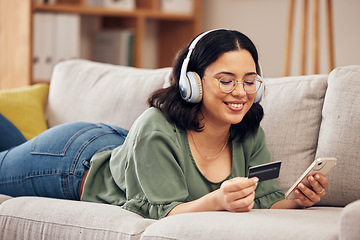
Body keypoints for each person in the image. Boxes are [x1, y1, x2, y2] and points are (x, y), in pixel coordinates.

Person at [0, 29, 328, 220]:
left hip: (121, 145)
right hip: (72, 163)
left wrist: (296, 200)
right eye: (226, 81)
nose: (240, 93)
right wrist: (219, 201)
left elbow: (265, 201)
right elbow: (160, 214)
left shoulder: (248, 130)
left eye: (249, 80)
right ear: (192, 84)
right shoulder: (157, 126)